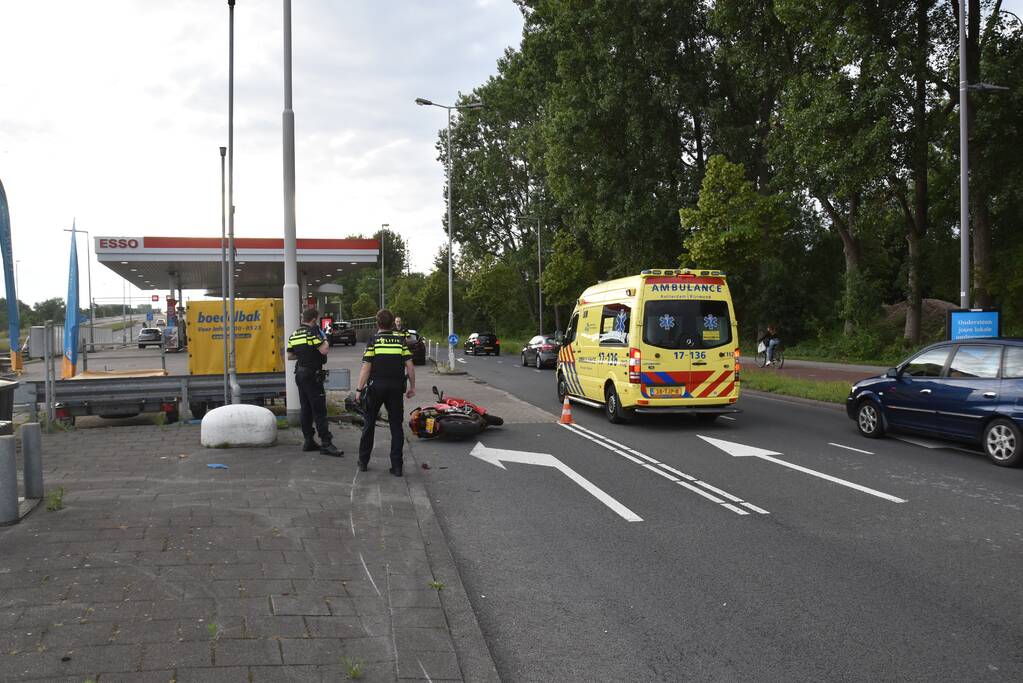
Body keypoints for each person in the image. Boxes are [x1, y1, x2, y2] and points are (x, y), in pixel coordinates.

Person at [355, 309, 416, 476]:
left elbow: (366, 368)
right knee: (396, 426)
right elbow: (410, 366)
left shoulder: (373, 341)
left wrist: (359, 390)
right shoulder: (400, 341)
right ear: (392, 324)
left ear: (377, 323)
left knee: (369, 423)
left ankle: (363, 462)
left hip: (376, 387)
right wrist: (412, 387)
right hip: (396, 388)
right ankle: (397, 466)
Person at [287, 307, 342, 456]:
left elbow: (290, 356)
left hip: (300, 374)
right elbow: (324, 350)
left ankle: (308, 440)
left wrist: (304, 354)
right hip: (312, 375)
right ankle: (326, 443)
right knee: (319, 409)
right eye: (316, 320)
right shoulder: (311, 333)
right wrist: (326, 337)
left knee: (305, 408)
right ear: (313, 320)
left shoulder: (295, 334)